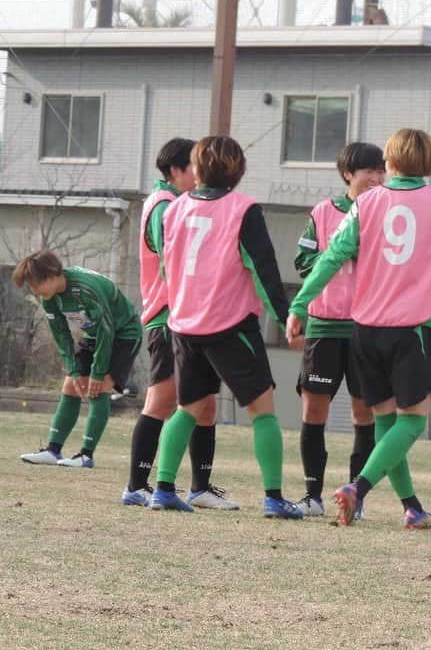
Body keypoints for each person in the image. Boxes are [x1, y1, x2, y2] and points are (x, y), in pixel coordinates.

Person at [286, 128, 431, 529]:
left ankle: (411, 507)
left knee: (387, 422)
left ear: (389, 163)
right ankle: (358, 488)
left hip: (364, 331)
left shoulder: (366, 203)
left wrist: (300, 304)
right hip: (410, 331)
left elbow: (330, 257)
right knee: (411, 421)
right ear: (430, 163)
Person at [149, 134, 302, 518]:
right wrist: (287, 318)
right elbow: (263, 267)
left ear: (197, 168)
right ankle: (273, 497)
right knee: (263, 409)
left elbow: (167, 265)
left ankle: (164, 488)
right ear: (239, 169)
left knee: (188, 407)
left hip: (184, 324)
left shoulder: (175, 208)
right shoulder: (243, 209)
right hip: (229, 324)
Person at [122, 138, 238, 510]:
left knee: (204, 402)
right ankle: (137, 485)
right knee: (163, 399)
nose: (198, 174)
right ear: (176, 169)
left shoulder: (173, 202)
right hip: (169, 314)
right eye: (192, 166)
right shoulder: (164, 205)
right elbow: (170, 256)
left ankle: (200, 487)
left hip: (185, 315)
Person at [293, 143, 385, 518]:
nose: (376, 179)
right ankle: (313, 496)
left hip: (366, 326)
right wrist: (337, 251)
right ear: (348, 174)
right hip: (325, 324)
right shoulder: (323, 212)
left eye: (382, 172)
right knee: (315, 409)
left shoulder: (386, 213)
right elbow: (302, 262)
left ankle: (355, 498)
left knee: (365, 414)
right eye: (369, 171)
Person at [15, 250, 142, 468]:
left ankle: (86, 455)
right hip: (94, 334)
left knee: (99, 386)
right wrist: (74, 370)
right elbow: (61, 335)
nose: (34, 290)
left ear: (53, 275)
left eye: (36, 283)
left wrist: (98, 372)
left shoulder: (85, 289)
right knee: (71, 385)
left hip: (123, 334)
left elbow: (106, 329)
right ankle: (53, 451)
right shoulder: (50, 299)